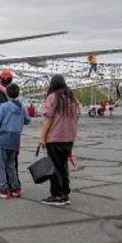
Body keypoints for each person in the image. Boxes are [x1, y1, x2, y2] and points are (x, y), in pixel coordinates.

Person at [39, 75, 80, 206]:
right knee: (63, 166)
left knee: (55, 168)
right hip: (69, 138)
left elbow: (48, 119)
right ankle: (65, 194)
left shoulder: (52, 97)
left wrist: (42, 137)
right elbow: (76, 117)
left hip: (55, 138)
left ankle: (57, 195)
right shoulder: (72, 98)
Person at [0, 83, 30, 199]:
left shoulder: (4, 106)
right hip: (15, 139)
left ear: (7, 93)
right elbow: (27, 120)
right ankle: (15, 188)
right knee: (11, 165)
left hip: (3, 137)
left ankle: (3, 189)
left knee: (0, 165)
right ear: (18, 93)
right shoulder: (21, 107)